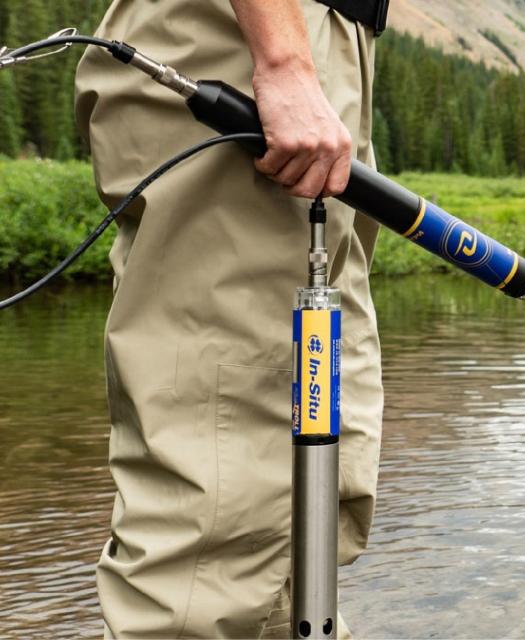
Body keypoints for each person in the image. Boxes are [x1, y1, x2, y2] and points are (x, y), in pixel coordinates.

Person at [75, 1, 384, 637]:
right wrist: (283, 60)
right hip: (249, 39)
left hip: (310, 41)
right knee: (221, 517)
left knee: (297, 524)